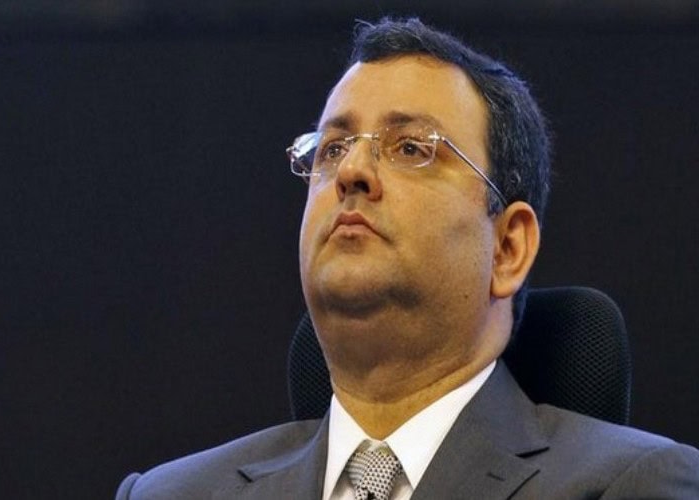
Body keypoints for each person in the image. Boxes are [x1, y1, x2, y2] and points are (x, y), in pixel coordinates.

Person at [116, 17, 699, 499]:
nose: (351, 171)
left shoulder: (635, 485)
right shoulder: (169, 494)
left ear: (508, 247)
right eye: (332, 148)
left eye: (411, 148)